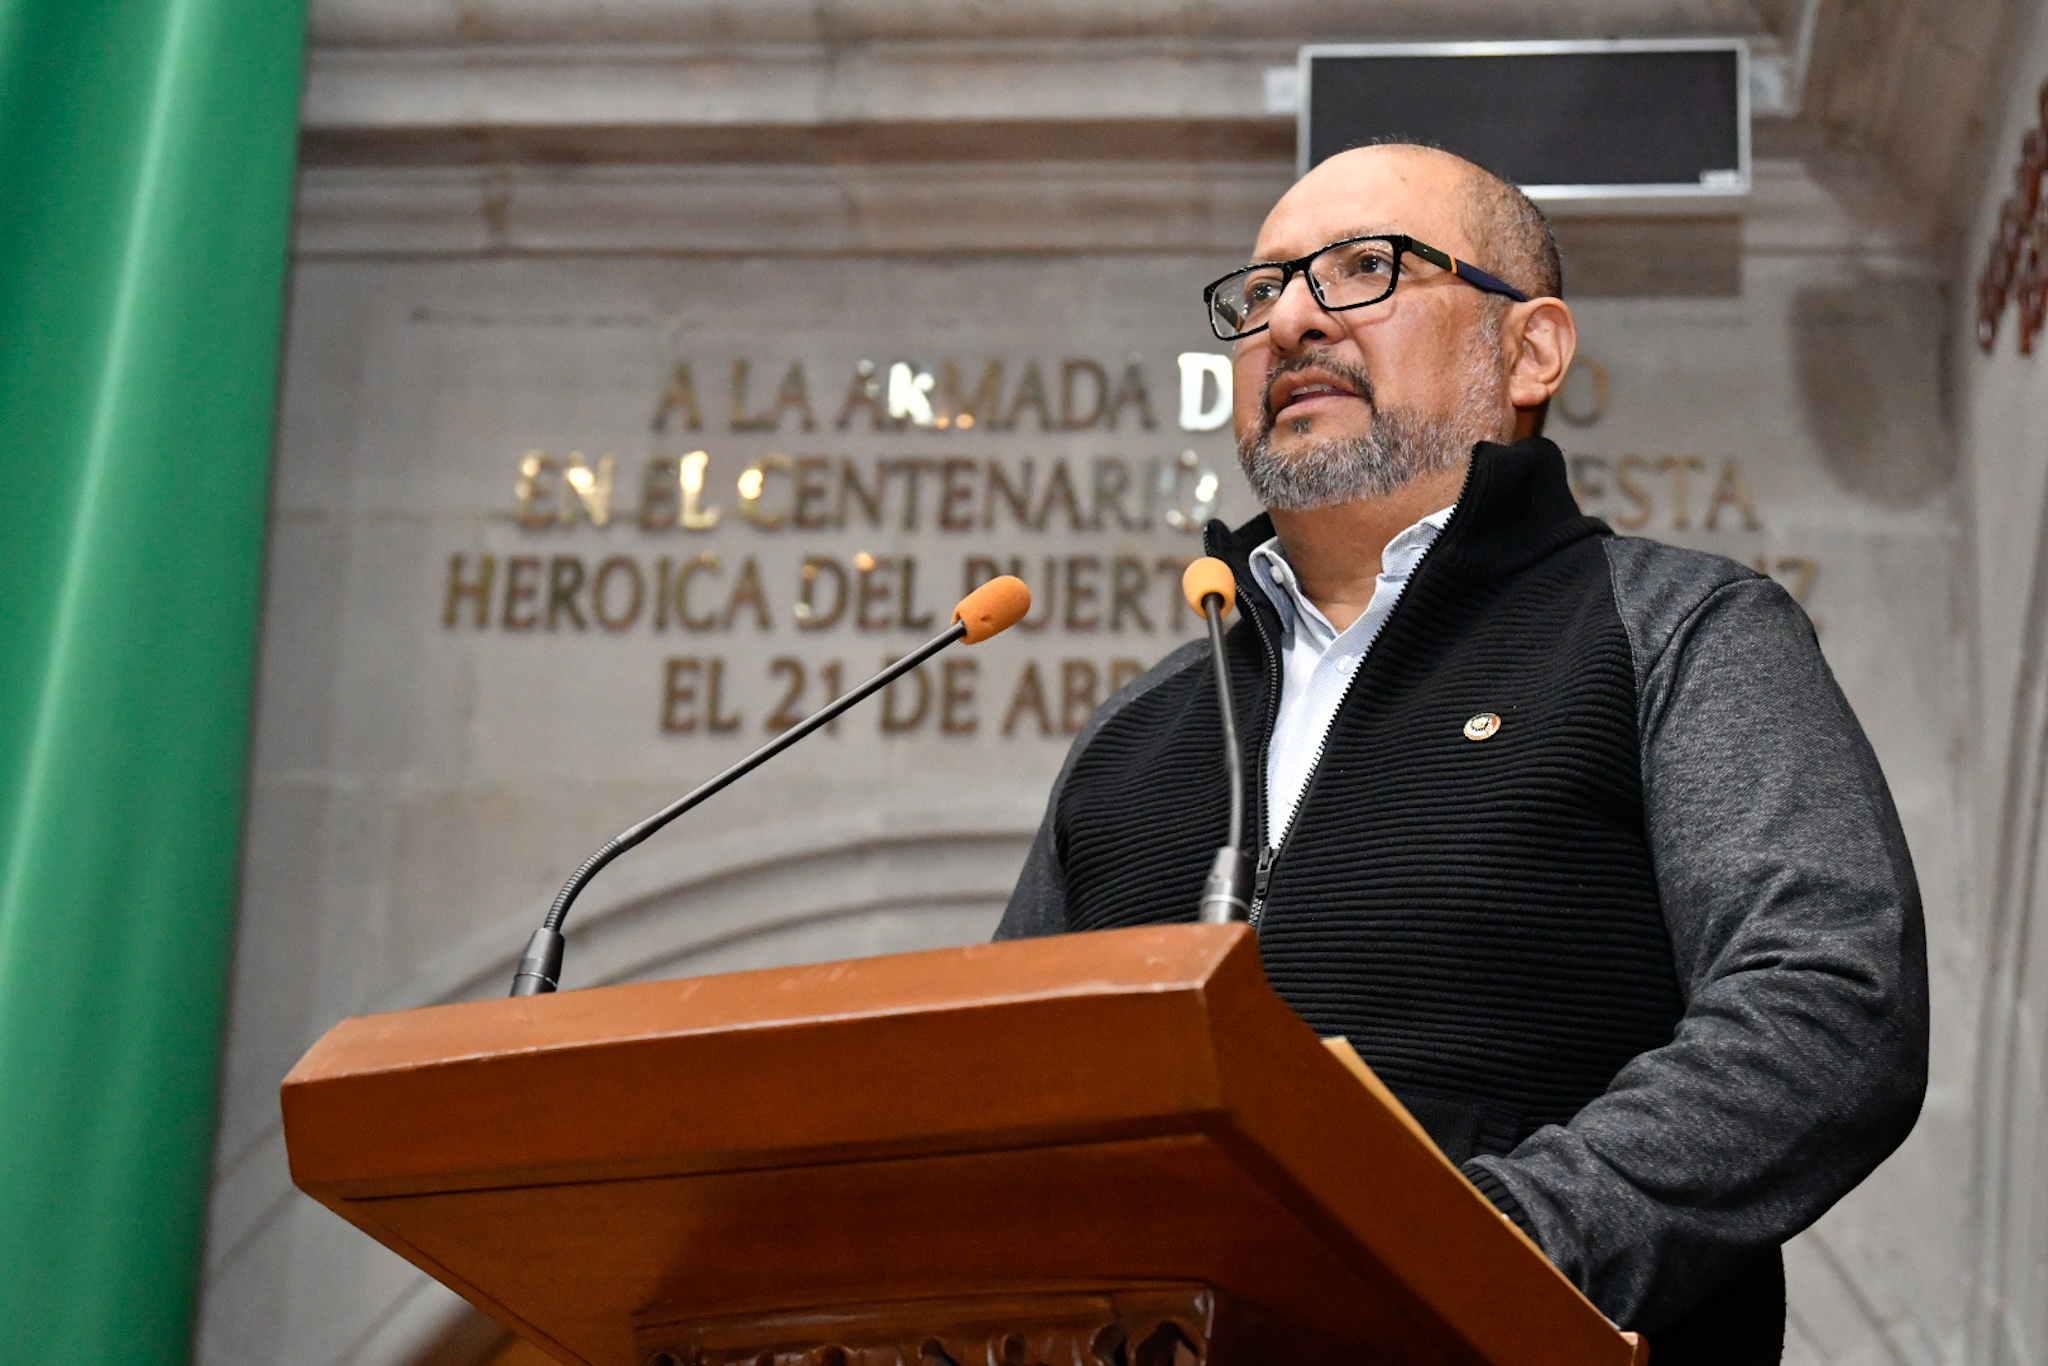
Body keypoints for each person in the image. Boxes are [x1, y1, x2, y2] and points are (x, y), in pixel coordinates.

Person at [994, 144, 1927, 1364]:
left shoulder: (1676, 630)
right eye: (1262, 290)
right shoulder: (1138, 729)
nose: (1289, 320)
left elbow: (1825, 1003)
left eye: (1362, 268)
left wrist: (1483, 1240)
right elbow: (996, 1092)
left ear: (1528, 350)